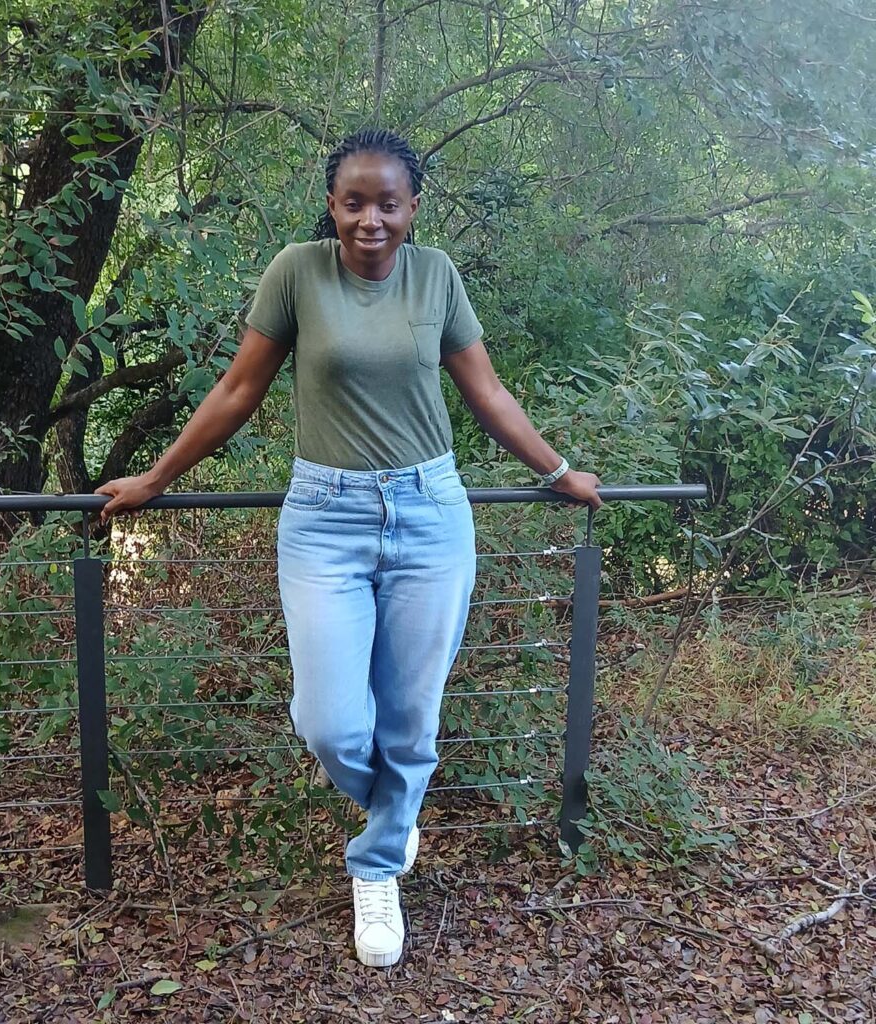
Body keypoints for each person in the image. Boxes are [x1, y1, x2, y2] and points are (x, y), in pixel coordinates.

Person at [96, 128, 602, 968]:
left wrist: (556, 470)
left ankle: (377, 865)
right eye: (354, 203)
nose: (371, 220)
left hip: (430, 513)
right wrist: (153, 478)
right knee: (330, 722)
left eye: (388, 204)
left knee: (411, 716)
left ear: (413, 208)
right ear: (332, 205)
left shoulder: (438, 275)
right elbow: (236, 390)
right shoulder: (298, 272)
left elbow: (487, 392)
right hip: (324, 520)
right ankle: (395, 815)